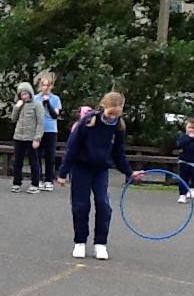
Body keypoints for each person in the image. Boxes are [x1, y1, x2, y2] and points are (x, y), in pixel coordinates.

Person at [57, 92, 143, 260]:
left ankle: (100, 243)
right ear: (104, 108)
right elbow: (72, 148)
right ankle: (80, 242)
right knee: (81, 206)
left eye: (117, 114)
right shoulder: (87, 123)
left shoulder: (118, 127)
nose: (113, 117)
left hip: (101, 170)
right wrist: (63, 172)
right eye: (110, 113)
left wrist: (130, 172)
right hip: (81, 168)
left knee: (104, 205)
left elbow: (118, 154)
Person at [11, 81, 45, 194]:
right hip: (18, 137)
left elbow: (40, 123)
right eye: (22, 94)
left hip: (31, 138)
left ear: (30, 93)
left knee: (33, 161)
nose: (24, 96)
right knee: (17, 161)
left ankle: (35, 183)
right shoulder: (20, 105)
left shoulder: (37, 105)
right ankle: (17, 183)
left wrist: (37, 138)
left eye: (26, 94)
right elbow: (13, 119)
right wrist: (16, 107)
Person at [34, 73, 62, 191]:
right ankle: (38, 179)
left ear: (51, 86)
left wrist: (47, 103)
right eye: (43, 85)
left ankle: (49, 180)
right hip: (38, 130)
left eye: (47, 85)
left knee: (50, 156)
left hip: (51, 130)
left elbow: (55, 115)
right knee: (37, 155)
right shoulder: (35, 98)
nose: (45, 87)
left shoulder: (55, 99)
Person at [176, 117, 194, 205]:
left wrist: (187, 145)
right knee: (183, 179)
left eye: (193, 128)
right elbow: (179, 144)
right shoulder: (183, 136)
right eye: (189, 127)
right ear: (186, 127)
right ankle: (182, 195)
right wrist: (188, 138)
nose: (191, 130)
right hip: (183, 161)